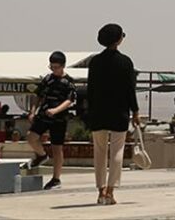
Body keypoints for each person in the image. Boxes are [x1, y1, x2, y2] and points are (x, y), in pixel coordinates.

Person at [87, 23, 140, 206]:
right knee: (116, 151)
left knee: (99, 152)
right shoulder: (125, 62)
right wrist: (136, 111)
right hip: (119, 112)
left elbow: (90, 90)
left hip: (98, 112)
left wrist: (90, 112)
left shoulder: (94, 62)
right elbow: (130, 90)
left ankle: (100, 190)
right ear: (118, 40)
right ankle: (110, 190)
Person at [26, 51, 77, 191]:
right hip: (44, 114)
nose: (54, 70)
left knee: (57, 147)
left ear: (63, 66)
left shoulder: (69, 82)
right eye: (51, 67)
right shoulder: (48, 79)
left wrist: (56, 110)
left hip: (59, 118)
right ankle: (41, 155)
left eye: (56, 67)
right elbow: (37, 95)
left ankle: (56, 178)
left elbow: (69, 100)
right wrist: (32, 111)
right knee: (31, 137)